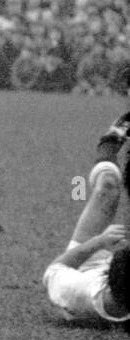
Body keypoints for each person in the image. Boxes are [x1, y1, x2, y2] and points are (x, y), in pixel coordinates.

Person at [45, 117, 130, 325]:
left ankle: (108, 143)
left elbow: (54, 271)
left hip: (85, 266)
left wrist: (100, 242)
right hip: (106, 276)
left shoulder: (77, 290)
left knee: (108, 188)